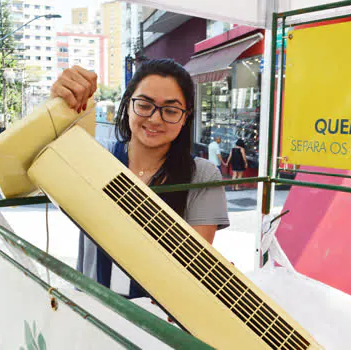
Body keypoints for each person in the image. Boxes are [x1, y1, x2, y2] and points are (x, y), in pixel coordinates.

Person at [49, 60, 230, 298]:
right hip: (94, 313)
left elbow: (194, 267)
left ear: (186, 117)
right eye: (144, 105)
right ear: (127, 105)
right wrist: (56, 105)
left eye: (171, 110)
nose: (155, 119)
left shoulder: (203, 175)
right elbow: (37, 164)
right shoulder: (95, 157)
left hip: (163, 322)